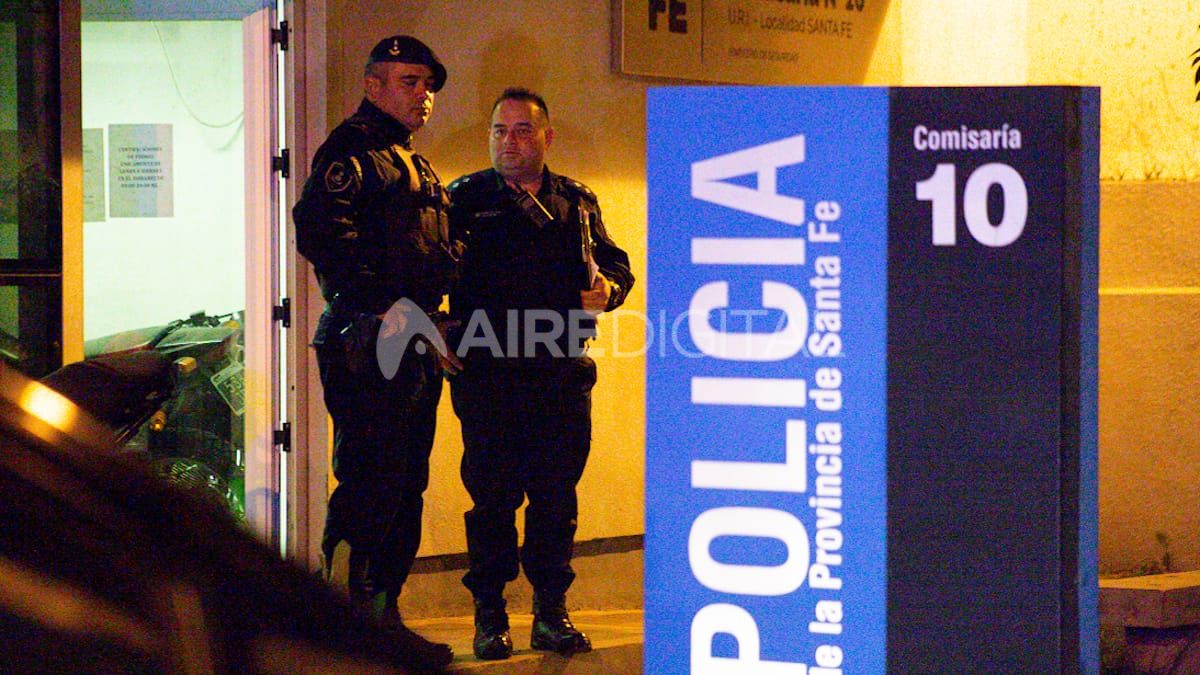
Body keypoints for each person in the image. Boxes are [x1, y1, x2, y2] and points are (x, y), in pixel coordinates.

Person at [446, 87, 635, 661]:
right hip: (489, 375)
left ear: (547, 137)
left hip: (559, 373)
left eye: (522, 130)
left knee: (555, 500)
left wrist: (608, 290)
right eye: (499, 130)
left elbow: (615, 266)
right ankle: (490, 615)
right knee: (492, 501)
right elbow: (427, 271)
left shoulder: (575, 201)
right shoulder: (464, 200)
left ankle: (551, 613)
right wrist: (436, 330)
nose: (509, 141)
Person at [292, 35, 461, 670]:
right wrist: (386, 306)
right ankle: (344, 631)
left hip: (410, 340)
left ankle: (382, 623)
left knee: (404, 485)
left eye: (428, 85)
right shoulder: (353, 152)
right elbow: (321, 232)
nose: (425, 96)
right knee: (371, 482)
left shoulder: (408, 160)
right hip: (368, 339)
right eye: (410, 81)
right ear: (374, 85)